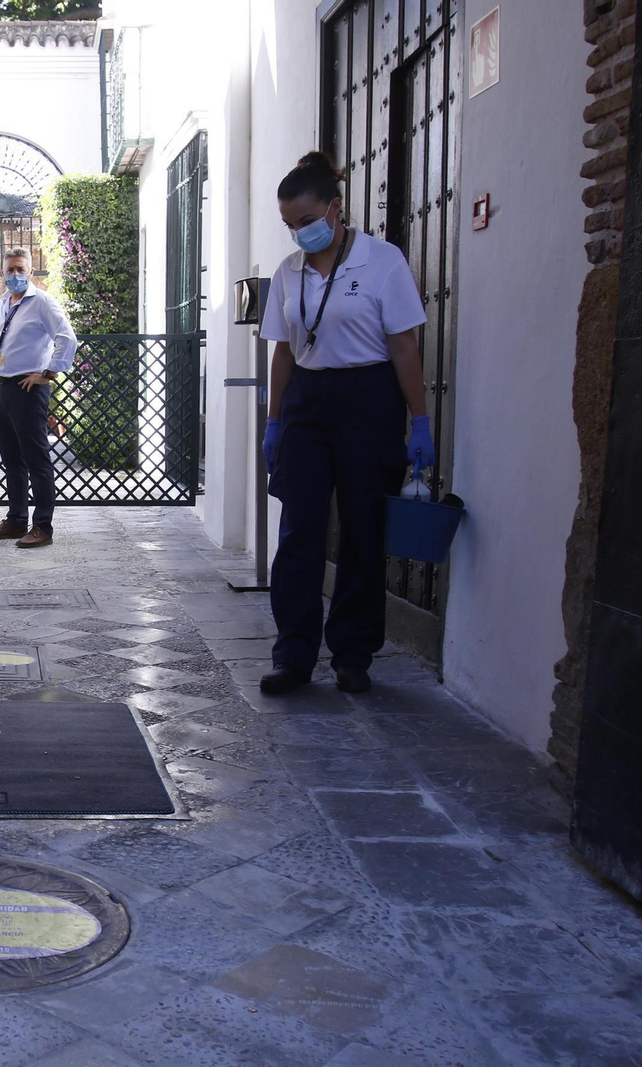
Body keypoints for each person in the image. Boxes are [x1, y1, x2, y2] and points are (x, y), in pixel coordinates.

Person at [258, 151, 437, 695]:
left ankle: (353, 655)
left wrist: (420, 421)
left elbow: (403, 346)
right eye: (289, 225)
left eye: (306, 221)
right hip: (307, 405)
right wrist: (274, 422)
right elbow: (284, 353)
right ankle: (293, 656)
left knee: (362, 529)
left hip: (369, 397)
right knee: (299, 534)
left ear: (335, 209)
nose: (299, 234)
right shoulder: (289, 273)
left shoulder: (383, 261)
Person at [0, 248, 76, 548]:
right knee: (12, 460)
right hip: (2, 390)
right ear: (3, 273)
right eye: (10, 270)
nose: (15, 275)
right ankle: (16, 520)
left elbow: (67, 337)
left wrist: (47, 373)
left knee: (36, 459)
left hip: (28, 389)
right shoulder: (4, 302)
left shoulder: (42, 302)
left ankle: (42, 526)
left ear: (31, 273)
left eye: (21, 270)